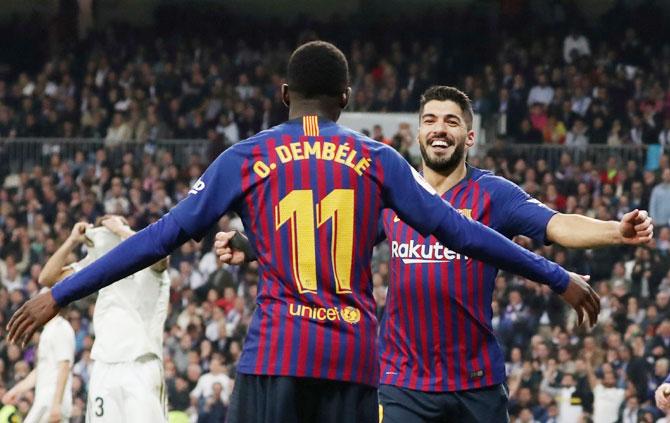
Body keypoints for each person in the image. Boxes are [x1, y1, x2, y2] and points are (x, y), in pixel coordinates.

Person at [7, 41, 597, 423]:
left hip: (276, 358)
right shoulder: (379, 160)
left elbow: (159, 236)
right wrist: (557, 275)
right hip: (355, 362)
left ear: (285, 95)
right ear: (346, 98)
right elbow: (466, 234)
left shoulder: (245, 157)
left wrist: (60, 291)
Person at [215, 86, 653, 422]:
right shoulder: (391, 188)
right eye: (429, 120)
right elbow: (325, 229)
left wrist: (616, 231)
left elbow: (556, 224)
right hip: (402, 384)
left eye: (450, 121)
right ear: (419, 131)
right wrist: (250, 246)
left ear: (470, 136)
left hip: (476, 381)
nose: (439, 128)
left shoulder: (493, 195)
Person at [37, 216, 170, 422]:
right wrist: (72, 240)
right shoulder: (98, 266)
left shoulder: (147, 255)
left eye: (115, 222)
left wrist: (121, 231)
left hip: (140, 363)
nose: (109, 226)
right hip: (104, 366)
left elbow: (163, 258)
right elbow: (47, 278)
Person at [1, 298, 74, 423]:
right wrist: (16, 390)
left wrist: (57, 404)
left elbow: (64, 366)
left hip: (52, 401)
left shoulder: (60, 327)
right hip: (45, 401)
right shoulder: (49, 330)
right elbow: (39, 371)